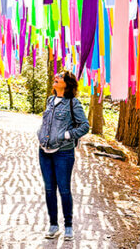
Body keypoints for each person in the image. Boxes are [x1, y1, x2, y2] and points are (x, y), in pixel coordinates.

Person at [37, 71, 90, 241]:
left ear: (67, 84)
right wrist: (40, 133)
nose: (56, 77)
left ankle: (68, 226)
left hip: (63, 153)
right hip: (44, 152)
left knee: (64, 189)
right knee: (49, 189)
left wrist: (67, 135)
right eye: (57, 75)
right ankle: (53, 225)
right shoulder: (50, 100)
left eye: (60, 76)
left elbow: (84, 126)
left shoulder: (73, 103)